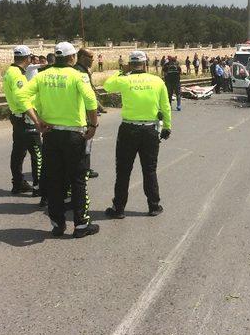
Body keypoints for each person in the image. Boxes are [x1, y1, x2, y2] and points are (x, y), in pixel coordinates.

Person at [17, 42, 100, 238]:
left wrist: (37, 121)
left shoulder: (42, 75)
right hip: (74, 135)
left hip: (51, 135)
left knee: (55, 180)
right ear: (72, 58)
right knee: (78, 180)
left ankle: (57, 224)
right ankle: (81, 226)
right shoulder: (78, 76)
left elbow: (21, 97)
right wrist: (93, 126)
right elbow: (91, 101)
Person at [103, 51, 171, 219]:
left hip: (128, 129)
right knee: (149, 169)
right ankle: (154, 206)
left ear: (130, 64)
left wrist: (122, 71)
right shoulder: (157, 81)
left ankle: (119, 208)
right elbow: (165, 106)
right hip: (150, 130)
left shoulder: (124, 80)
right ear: (145, 64)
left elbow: (107, 85)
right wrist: (167, 126)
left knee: (123, 170)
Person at [2, 45, 43, 199]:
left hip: (16, 117)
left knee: (18, 152)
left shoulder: (10, 71)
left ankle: (18, 183)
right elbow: (22, 98)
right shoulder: (18, 75)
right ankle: (38, 187)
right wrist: (36, 119)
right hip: (25, 119)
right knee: (38, 154)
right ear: (27, 58)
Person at [74, 48, 101, 179]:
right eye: (90, 57)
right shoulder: (78, 71)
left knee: (87, 143)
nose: (92, 60)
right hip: (83, 114)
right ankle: (84, 169)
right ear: (81, 57)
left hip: (84, 112)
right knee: (85, 142)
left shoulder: (82, 70)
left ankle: (85, 167)